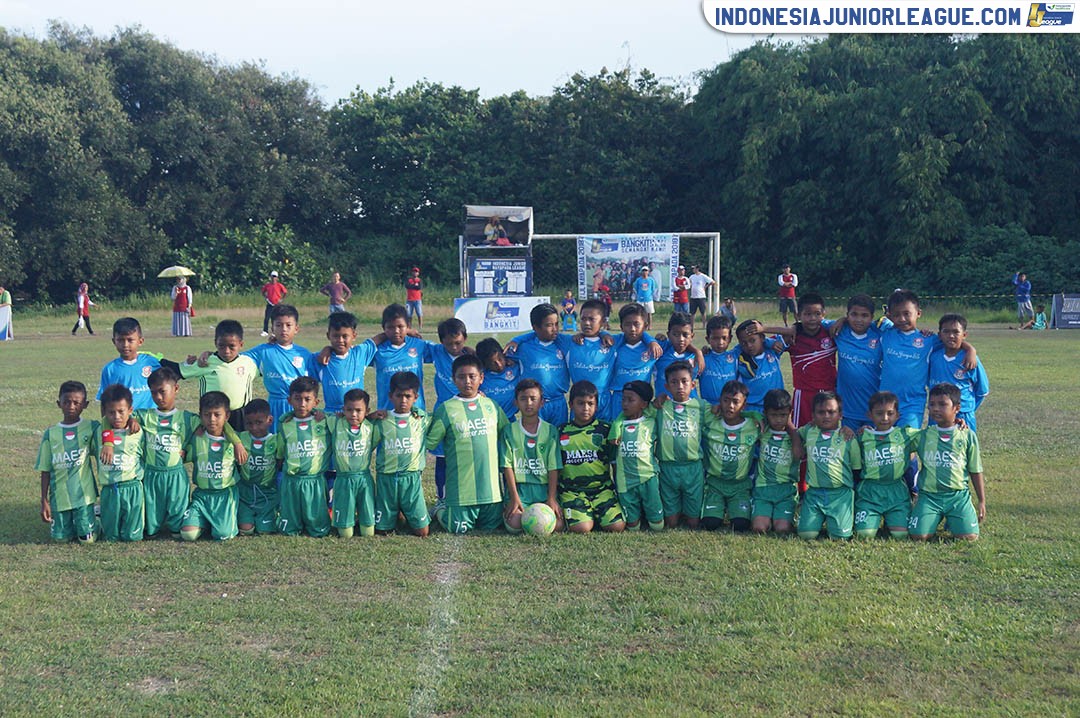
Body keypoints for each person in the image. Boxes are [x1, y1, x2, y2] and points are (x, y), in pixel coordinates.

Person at [137, 366, 245, 538]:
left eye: (162, 391)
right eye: (153, 392)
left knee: (179, 527)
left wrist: (237, 442)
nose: (158, 397)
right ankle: (156, 524)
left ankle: (188, 523)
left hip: (176, 476)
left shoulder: (189, 419)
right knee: (152, 525)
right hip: (152, 474)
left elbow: (221, 423)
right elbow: (117, 417)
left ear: (176, 389)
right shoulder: (143, 416)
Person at [425, 354, 509, 534]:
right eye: (461, 377)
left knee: (492, 527)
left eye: (472, 376)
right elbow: (430, 442)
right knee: (456, 529)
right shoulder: (447, 409)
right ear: (453, 380)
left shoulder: (491, 406)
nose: (467, 382)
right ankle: (441, 508)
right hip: (461, 494)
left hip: (492, 494)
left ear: (481, 378)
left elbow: (507, 434)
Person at [909, 384, 985, 541]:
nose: (936, 409)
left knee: (969, 537)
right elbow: (892, 436)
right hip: (929, 496)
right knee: (918, 536)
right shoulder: (923, 436)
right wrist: (868, 430)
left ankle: (955, 517)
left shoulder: (966, 436)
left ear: (957, 408)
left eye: (942, 404)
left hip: (957, 496)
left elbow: (975, 469)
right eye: (932, 404)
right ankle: (928, 516)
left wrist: (982, 500)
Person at [557, 381, 625, 534]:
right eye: (580, 403)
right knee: (582, 528)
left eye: (590, 403)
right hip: (572, 491)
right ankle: (584, 516)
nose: (585, 408)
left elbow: (615, 462)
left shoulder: (606, 430)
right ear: (571, 404)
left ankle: (597, 514)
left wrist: (619, 490)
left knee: (617, 527)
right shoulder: (560, 432)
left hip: (602, 490)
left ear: (596, 406)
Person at [36, 381, 99, 543]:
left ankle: (96, 520)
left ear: (85, 405)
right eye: (66, 402)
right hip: (60, 497)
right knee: (61, 539)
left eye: (76, 402)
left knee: (87, 540)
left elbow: (110, 424)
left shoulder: (91, 427)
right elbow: (45, 469)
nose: (71, 406)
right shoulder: (50, 434)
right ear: (59, 404)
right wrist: (44, 500)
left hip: (84, 495)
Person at [171, 320, 259, 432]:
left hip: (240, 417)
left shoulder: (248, 363)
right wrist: (154, 361)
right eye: (221, 346)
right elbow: (177, 370)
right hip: (212, 416)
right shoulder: (205, 362)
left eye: (232, 346)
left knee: (240, 446)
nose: (227, 351)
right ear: (215, 343)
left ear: (241, 344)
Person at [764, 292, 837, 428]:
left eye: (817, 314)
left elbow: (845, 322)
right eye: (808, 314)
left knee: (828, 434)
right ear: (798, 315)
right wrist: (771, 343)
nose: (812, 318)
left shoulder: (831, 333)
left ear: (824, 314)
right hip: (803, 395)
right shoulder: (793, 336)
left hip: (829, 393)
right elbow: (762, 342)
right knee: (800, 433)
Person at [371, 372, 430, 537]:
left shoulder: (421, 419)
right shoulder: (382, 420)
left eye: (408, 396)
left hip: (411, 479)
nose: (403, 400)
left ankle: (404, 511)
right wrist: (370, 416)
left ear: (415, 397)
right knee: (383, 531)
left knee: (422, 532)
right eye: (399, 396)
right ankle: (396, 512)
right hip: (386, 478)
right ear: (391, 396)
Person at [501, 379, 564, 533]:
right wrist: (514, 498)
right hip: (520, 491)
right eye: (523, 399)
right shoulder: (509, 431)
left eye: (533, 399)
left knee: (558, 526)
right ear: (516, 402)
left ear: (541, 402)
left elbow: (553, 467)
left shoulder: (550, 431)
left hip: (543, 490)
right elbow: (507, 466)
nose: (528, 403)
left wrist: (551, 498)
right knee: (515, 524)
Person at [853, 392, 918, 540]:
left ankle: (892, 519)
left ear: (897, 415)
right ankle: (873, 518)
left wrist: (956, 423)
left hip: (896, 491)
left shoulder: (905, 434)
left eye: (890, 413)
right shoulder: (863, 436)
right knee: (864, 535)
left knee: (901, 535)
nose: (885, 418)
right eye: (879, 413)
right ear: (870, 415)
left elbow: (932, 435)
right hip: (870, 491)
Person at [797, 392, 860, 540]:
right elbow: (793, 434)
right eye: (820, 412)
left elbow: (857, 470)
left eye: (831, 412)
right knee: (806, 535)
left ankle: (844, 518)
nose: (826, 416)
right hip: (814, 494)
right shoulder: (809, 431)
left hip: (840, 495)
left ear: (840, 415)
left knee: (840, 537)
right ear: (813, 414)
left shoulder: (848, 437)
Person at [179, 391, 240, 541]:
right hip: (202, 495)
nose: (212, 419)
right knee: (188, 534)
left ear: (227, 416)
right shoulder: (197, 438)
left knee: (223, 535)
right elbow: (184, 456)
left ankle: (218, 521)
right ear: (200, 415)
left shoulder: (236, 441)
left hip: (225, 495)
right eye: (207, 415)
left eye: (217, 415)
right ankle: (204, 520)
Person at [655, 361, 708, 530]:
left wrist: (753, 415)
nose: (680, 386)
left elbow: (727, 414)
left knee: (693, 523)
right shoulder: (660, 407)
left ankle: (692, 510)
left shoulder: (701, 406)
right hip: (667, 468)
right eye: (674, 382)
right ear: (666, 386)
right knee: (671, 523)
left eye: (684, 381)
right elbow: (637, 412)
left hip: (692, 467)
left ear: (693, 384)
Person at [276, 377, 331, 537]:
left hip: (314, 480)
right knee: (289, 527)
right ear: (289, 400)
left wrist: (320, 413)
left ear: (316, 401)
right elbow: (280, 451)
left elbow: (345, 418)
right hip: (292, 480)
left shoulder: (324, 421)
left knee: (318, 528)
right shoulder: (285, 423)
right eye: (297, 399)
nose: (302, 404)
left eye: (307, 399)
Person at [243, 304, 314, 428]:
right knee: (275, 441)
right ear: (272, 328)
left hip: (298, 405)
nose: (284, 329)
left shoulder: (304, 354)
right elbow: (236, 358)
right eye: (279, 325)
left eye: (288, 325)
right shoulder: (263, 351)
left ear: (296, 328)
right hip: (275, 405)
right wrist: (212, 355)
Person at [702, 379, 759, 532]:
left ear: (744, 404)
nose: (730, 406)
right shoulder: (710, 422)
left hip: (740, 485)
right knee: (710, 524)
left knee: (740, 525)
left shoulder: (753, 425)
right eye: (726, 400)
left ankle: (735, 508)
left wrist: (754, 415)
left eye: (736, 402)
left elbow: (775, 420)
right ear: (720, 400)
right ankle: (717, 508)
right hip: (715, 484)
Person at [607, 381, 663, 532]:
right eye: (623, 399)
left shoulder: (651, 422)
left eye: (630, 400)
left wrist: (660, 399)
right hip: (625, 482)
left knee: (657, 526)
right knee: (633, 527)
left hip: (648, 478)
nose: (625, 404)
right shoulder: (617, 427)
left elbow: (657, 407)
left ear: (643, 404)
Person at [506, 304, 574, 426]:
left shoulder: (563, 342)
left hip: (558, 402)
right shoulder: (523, 347)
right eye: (549, 325)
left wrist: (603, 334)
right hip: (534, 404)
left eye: (556, 324)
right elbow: (498, 359)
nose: (555, 329)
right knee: (535, 439)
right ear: (535, 327)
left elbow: (587, 336)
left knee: (558, 439)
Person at [751, 389, 804, 535]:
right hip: (763, 489)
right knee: (759, 528)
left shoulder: (797, 434)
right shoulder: (762, 430)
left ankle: (784, 516)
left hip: (786, 491)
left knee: (782, 529)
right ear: (766, 413)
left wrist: (791, 429)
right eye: (773, 415)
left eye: (783, 415)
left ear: (790, 413)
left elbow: (798, 455)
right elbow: (742, 415)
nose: (778, 420)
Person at [97, 384, 145, 542]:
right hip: (109, 489)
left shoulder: (137, 432)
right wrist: (107, 441)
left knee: (132, 537)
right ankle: (96, 518)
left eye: (121, 412)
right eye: (111, 412)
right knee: (111, 537)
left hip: (132, 488)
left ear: (130, 410)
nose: (117, 417)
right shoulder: (98, 433)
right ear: (104, 412)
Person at [834, 294, 889, 431]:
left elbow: (899, 328)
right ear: (847, 315)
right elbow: (814, 322)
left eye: (864, 315)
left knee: (871, 450)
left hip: (874, 409)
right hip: (848, 410)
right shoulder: (840, 332)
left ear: (871, 317)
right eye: (854, 315)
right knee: (850, 449)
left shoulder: (879, 334)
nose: (859, 320)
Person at [326, 389, 376, 538]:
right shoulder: (334, 423)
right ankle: (346, 520)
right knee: (345, 534)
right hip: (343, 480)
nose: (353, 414)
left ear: (367, 411)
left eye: (358, 410)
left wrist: (373, 417)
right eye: (349, 410)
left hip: (364, 479)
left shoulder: (372, 426)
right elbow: (311, 412)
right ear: (343, 410)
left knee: (369, 532)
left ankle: (365, 518)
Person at [929, 314, 990, 433]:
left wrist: (967, 408)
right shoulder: (933, 357)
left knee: (964, 447)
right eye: (946, 331)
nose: (951, 336)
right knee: (936, 447)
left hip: (963, 414)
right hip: (936, 413)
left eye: (956, 332)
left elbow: (982, 391)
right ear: (940, 335)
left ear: (964, 335)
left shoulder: (970, 359)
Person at [236, 399, 281, 535]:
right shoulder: (240, 438)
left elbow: (279, 462)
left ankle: (274, 513)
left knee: (264, 531)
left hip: (268, 493)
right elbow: (225, 430)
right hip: (245, 492)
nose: (254, 428)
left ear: (270, 420)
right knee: (246, 530)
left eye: (259, 423)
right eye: (249, 423)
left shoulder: (276, 440)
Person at [97, 317, 161, 411]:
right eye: (120, 340)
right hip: (124, 421)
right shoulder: (110, 369)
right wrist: (105, 424)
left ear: (140, 341)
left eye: (130, 340)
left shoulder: (152, 363)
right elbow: (105, 401)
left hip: (151, 420)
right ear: (114, 341)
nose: (125, 345)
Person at [734, 319, 785, 413]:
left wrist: (767, 338)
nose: (749, 346)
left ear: (762, 337)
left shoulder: (773, 351)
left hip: (777, 408)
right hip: (751, 410)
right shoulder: (739, 357)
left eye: (752, 340)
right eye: (744, 343)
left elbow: (790, 332)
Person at [652, 312, 705, 401]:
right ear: (668, 335)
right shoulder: (660, 352)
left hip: (690, 409)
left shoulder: (696, 358)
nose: (681, 339)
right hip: (665, 407)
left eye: (685, 335)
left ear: (692, 336)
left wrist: (698, 352)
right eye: (676, 334)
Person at [477, 338, 521, 420]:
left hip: (510, 419)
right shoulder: (480, 376)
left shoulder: (514, 367)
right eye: (493, 363)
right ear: (484, 364)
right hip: (489, 421)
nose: (499, 365)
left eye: (500, 359)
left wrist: (518, 339)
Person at [698, 316, 739, 405]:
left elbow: (756, 339)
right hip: (708, 408)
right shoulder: (703, 358)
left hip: (731, 407)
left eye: (724, 338)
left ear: (730, 338)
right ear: (708, 339)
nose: (720, 342)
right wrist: (698, 353)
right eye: (715, 338)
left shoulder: (735, 355)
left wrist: (771, 343)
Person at [260, 270, 287, 337]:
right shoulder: (268, 285)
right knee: (267, 318)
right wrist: (266, 298)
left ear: (277, 278)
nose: (273, 278)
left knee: (275, 318)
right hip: (270, 303)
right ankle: (265, 331)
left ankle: (274, 332)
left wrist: (281, 299)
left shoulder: (279, 285)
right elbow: (263, 292)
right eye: (272, 276)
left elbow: (285, 292)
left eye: (275, 277)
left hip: (277, 304)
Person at [632, 266, 660, 330]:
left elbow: (654, 288)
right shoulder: (638, 280)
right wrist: (637, 295)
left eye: (646, 270)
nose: (645, 272)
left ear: (648, 272)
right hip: (640, 300)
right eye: (643, 270)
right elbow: (635, 289)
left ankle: (649, 326)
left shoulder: (651, 280)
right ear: (641, 272)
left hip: (649, 299)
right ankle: (641, 326)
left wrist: (651, 295)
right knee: (639, 314)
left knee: (649, 313)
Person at [688, 265, 715, 330]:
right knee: (692, 312)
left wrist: (705, 287)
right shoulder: (692, 276)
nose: (693, 270)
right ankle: (692, 326)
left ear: (697, 269)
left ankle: (704, 325)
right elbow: (689, 283)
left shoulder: (703, 276)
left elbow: (712, 282)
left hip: (701, 296)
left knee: (703, 312)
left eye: (694, 268)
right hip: (693, 297)